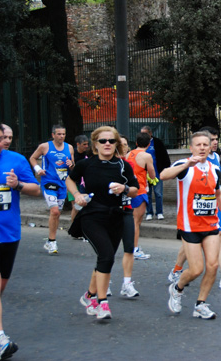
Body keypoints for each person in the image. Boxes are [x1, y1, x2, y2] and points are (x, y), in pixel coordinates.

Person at [67, 126, 139, 320]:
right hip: (92, 216)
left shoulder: (123, 166)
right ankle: (102, 303)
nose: (107, 144)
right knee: (106, 255)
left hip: (116, 217)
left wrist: (124, 188)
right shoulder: (86, 164)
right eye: (102, 141)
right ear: (95, 144)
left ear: (116, 144)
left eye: (111, 141)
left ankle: (88, 295)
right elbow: (70, 180)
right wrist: (77, 195)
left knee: (105, 258)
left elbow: (135, 189)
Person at [161, 131, 221, 319]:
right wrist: (186, 164)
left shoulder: (214, 169)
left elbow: (218, 194)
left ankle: (200, 304)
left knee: (213, 265)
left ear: (210, 148)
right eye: (198, 145)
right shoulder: (184, 166)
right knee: (196, 269)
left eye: (205, 145)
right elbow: (163, 175)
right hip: (189, 225)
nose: (202, 148)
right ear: (191, 148)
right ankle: (177, 289)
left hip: (210, 225)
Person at [168, 127, 221, 290]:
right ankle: (177, 270)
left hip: (213, 205)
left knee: (220, 236)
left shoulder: (216, 157)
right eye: (211, 139)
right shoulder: (190, 161)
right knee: (191, 242)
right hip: (193, 211)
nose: (214, 142)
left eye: (214, 140)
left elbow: (216, 185)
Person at [0, 121, 40, 360]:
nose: (1, 143)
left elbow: (36, 189)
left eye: (2, 138)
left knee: (0, 287)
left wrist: (18, 185)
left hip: (9, 233)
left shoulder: (15, 160)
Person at [29, 125, 74, 254]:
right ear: (53, 135)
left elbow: (72, 165)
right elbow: (32, 158)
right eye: (59, 134)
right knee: (54, 211)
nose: (61, 136)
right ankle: (52, 241)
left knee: (57, 213)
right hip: (48, 182)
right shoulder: (45, 146)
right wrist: (38, 170)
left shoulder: (69, 147)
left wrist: (71, 164)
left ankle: (50, 241)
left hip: (63, 183)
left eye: (63, 134)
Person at [124, 132, 156, 295]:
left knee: (131, 220)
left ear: (136, 142)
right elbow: (152, 174)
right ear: (149, 143)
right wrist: (153, 179)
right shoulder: (146, 155)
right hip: (141, 190)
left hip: (129, 190)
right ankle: (134, 248)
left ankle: (133, 247)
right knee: (137, 222)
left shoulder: (129, 153)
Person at [140, 125, 170, 221]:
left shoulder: (157, 142)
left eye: (145, 133)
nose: (143, 135)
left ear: (150, 133)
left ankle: (159, 212)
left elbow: (164, 156)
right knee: (147, 193)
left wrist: (165, 169)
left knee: (158, 193)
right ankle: (149, 212)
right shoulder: (140, 144)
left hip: (157, 172)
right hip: (145, 173)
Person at [69, 135, 92, 223]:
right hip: (73, 182)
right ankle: (73, 226)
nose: (86, 146)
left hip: (83, 182)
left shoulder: (88, 153)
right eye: (84, 144)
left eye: (87, 144)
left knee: (83, 206)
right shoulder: (73, 154)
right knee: (76, 206)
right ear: (78, 144)